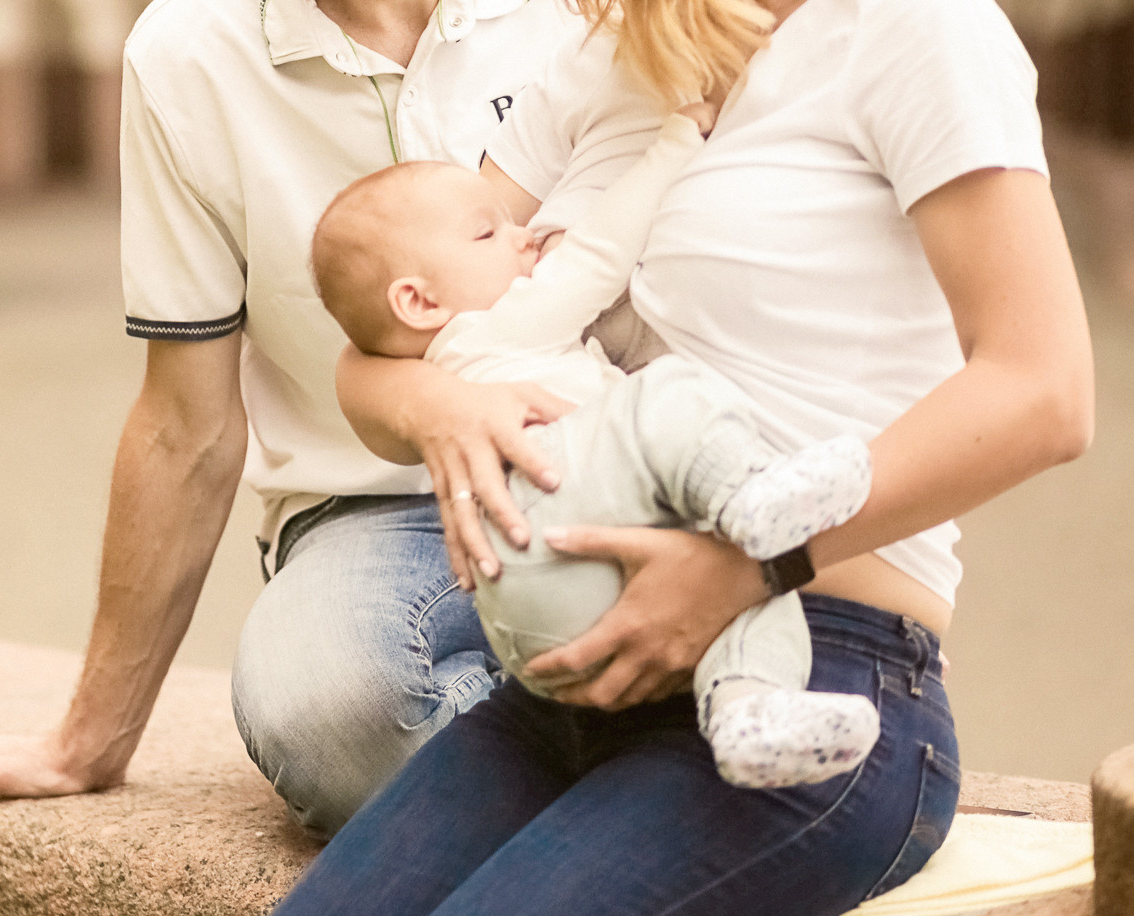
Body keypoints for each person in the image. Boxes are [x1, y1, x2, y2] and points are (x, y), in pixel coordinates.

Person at [162, 0, 1094, 916]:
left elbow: (1042, 391)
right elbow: (384, 340)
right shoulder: (621, 52)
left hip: (821, 686)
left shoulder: (907, 23)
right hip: (572, 685)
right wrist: (437, 407)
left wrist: (754, 562)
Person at [0, 0, 583, 838]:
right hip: (373, 519)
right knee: (327, 713)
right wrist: (89, 738)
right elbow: (186, 421)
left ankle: (535, 772)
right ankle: (621, 774)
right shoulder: (188, 56)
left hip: (602, 457)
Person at [307, 124, 882, 790]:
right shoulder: (492, 328)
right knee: (669, 395)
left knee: (741, 592)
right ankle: (748, 495)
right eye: (487, 234)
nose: (523, 234)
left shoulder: (467, 366)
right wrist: (674, 146)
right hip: (570, 520)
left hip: (529, 607)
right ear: (420, 301)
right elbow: (601, 253)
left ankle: (749, 715)